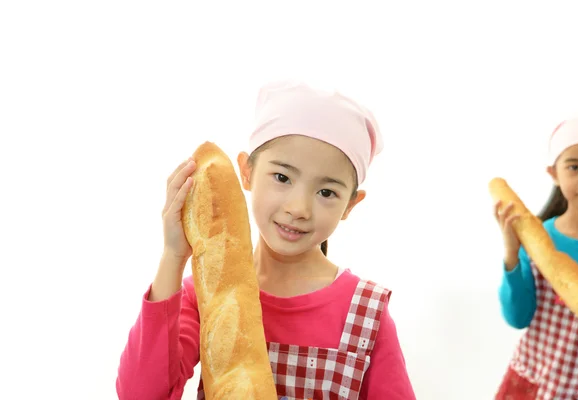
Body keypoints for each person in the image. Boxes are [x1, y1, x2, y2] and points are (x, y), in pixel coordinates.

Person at [115, 80, 416, 399]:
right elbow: (140, 394)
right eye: (282, 177)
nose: (298, 208)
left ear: (350, 205)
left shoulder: (366, 312)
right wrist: (173, 256)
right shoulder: (206, 296)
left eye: (326, 192)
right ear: (246, 172)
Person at [493, 107, 578, 399]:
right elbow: (518, 317)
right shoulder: (540, 237)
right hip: (534, 384)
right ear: (553, 173)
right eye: (574, 167)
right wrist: (512, 254)